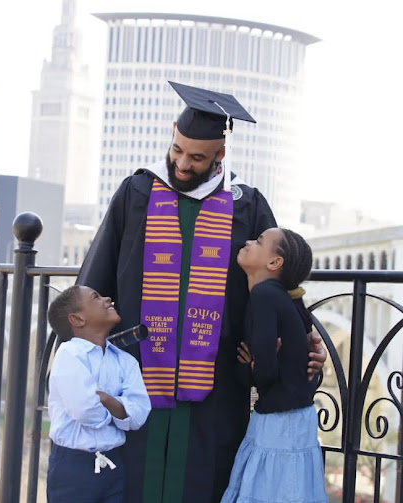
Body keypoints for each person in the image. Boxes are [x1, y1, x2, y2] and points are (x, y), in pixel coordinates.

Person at [77, 81, 327, 503]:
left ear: (220, 156)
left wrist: (305, 348)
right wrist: (79, 360)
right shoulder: (136, 192)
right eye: (177, 149)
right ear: (173, 132)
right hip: (138, 371)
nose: (181, 163)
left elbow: (278, 286)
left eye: (196, 157)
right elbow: (93, 282)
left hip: (215, 380)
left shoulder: (246, 204)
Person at [221, 228, 327, 502]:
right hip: (294, 419)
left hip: (279, 424)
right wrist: (254, 366)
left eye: (258, 242)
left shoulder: (264, 295)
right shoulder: (279, 296)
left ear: (274, 262)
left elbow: (265, 373)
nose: (247, 243)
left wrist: (249, 368)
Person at [46, 285, 151, 503]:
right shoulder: (69, 354)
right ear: (77, 320)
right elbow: (85, 411)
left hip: (113, 465)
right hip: (72, 469)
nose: (108, 299)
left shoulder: (125, 361)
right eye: (96, 297)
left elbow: (139, 414)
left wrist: (105, 399)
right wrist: (119, 411)